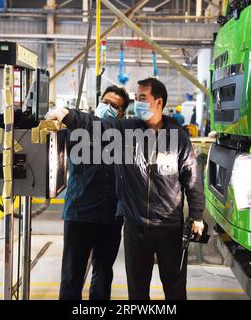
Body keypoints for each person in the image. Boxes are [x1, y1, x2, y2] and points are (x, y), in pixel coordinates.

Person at [47, 78, 205, 300]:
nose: (138, 102)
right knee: (138, 292)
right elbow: (99, 125)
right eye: (136, 98)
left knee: (175, 289)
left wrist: (197, 215)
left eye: (142, 98)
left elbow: (192, 177)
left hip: (170, 227)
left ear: (158, 103)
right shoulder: (127, 130)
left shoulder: (178, 136)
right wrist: (68, 114)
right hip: (135, 227)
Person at [59, 85, 130, 300]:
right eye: (105, 102)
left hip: (109, 215)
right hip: (79, 212)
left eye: (114, 106)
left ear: (122, 113)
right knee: (72, 276)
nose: (107, 107)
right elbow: (80, 123)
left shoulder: (123, 132)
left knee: (103, 275)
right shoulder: (81, 126)